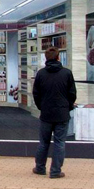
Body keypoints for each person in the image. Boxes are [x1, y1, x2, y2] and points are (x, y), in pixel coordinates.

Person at [32, 46, 77, 179]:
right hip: (62, 113)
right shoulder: (67, 73)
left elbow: (36, 94)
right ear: (58, 57)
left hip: (46, 113)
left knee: (43, 142)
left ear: (46, 58)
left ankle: (40, 167)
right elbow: (72, 93)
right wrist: (67, 106)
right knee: (59, 142)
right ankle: (55, 171)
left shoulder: (41, 74)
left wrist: (41, 107)